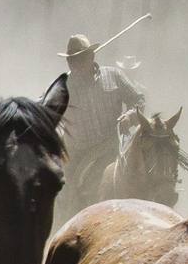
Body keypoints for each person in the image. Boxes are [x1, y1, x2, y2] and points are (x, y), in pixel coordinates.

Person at [57, 34, 145, 203]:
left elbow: (138, 100)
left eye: (79, 58)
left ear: (91, 56)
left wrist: (130, 115)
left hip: (115, 144)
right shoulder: (64, 87)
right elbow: (49, 112)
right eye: (71, 60)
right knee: (65, 194)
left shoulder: (114, 76)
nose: (74, 63)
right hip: (81, 151)